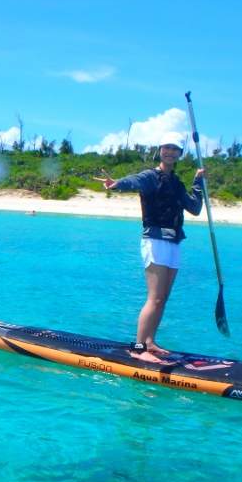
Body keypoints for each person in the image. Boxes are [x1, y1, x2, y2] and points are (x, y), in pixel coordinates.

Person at [94, 131, 205, 363]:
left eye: (175, 149)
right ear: (160, 150)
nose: (170, 152)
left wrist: (197, 183)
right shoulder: (150, 176)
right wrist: (117, 183)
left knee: (163, 297)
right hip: (155, 240)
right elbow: (134, 180)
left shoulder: (175, 182)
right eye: (166, 147)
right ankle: (137, 347)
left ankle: (150, 341)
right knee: (154, 298)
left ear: (180, 153)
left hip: (174, 242)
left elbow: (194, 209)